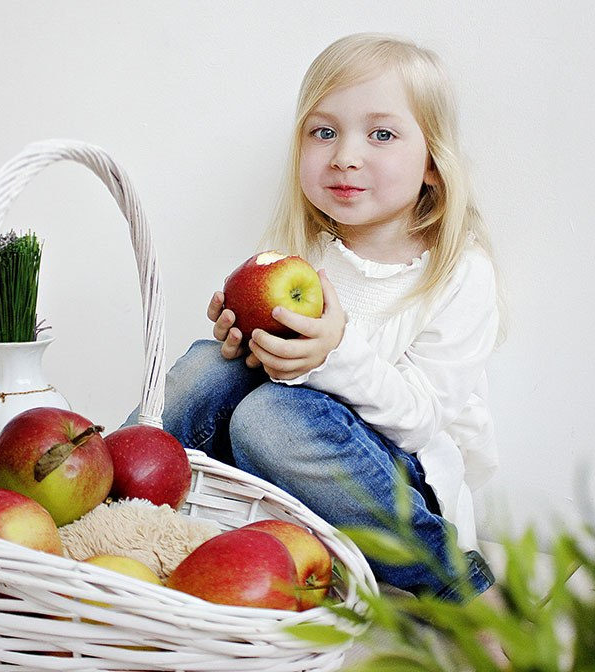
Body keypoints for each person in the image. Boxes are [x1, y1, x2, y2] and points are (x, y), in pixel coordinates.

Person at [127, 32, 505, 602]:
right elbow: (263, 379)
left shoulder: (457, 273)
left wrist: (335, 352)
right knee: (208, 366)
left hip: (397, 490)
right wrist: (246, 344)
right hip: (290, 489)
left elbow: (420, 420)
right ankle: (110, 504)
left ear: (432, 163)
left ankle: (457, 583)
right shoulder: (304, 258)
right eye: (323, 132)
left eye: (381, 134)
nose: (345, 155)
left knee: (269, 415)